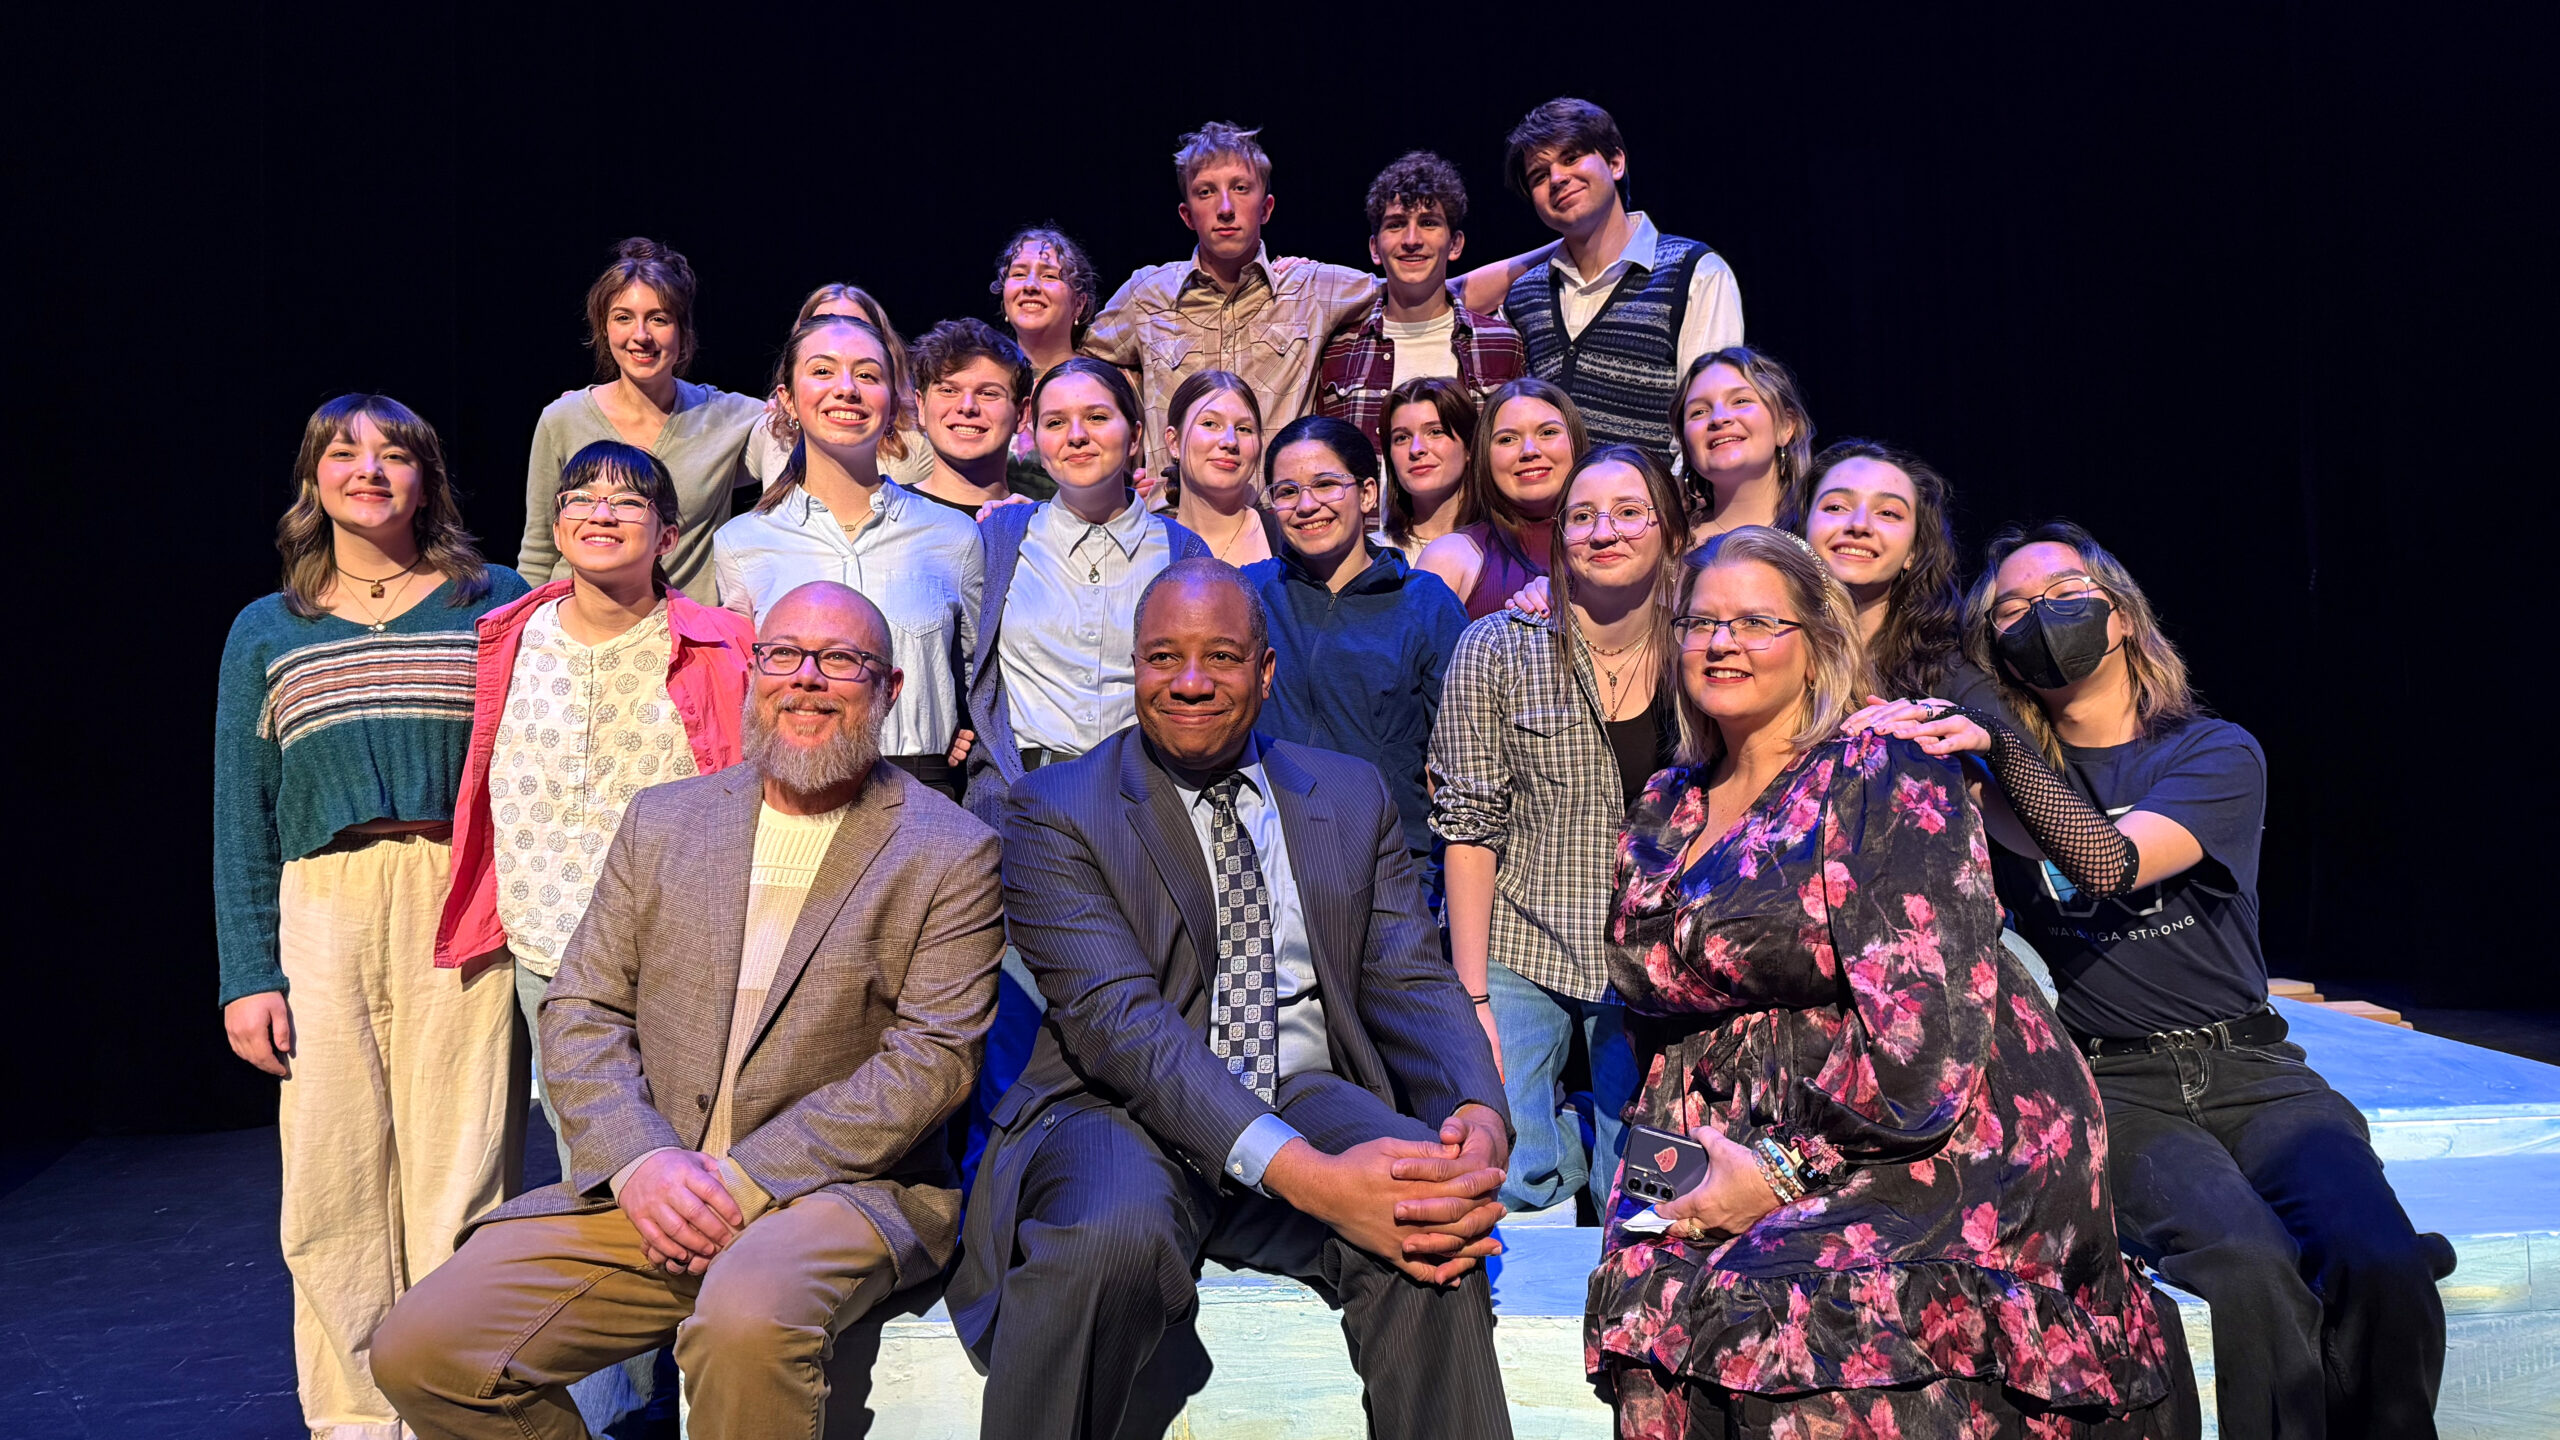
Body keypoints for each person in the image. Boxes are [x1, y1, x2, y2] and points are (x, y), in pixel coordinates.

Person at [1590, 525, 2191, 1439]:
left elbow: (1929, 1031)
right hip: (1725, 1122)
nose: (1722, 643)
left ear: (1818, 641)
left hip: (1915, 1133)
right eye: (1701, 623)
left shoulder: (1880, 764)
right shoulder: (1667, 802)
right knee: (1657, 1298)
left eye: (1757, 621)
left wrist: (1781, 1172)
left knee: (1801, 1310)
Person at [373, 582, 1006, 1440]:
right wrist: (640, 1163)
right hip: (659, 1183)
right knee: (424, 1348)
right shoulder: (665, 820)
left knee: (744, 1323)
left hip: (841, 1192)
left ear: (890, 689)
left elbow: (930, 1062)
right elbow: (582, 1006)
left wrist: (745, 1182)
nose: (808, 679)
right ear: (753, 673)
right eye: (784, 655)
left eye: (842, 661)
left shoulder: (949, 847)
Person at [1895, 521, 2444, 1440]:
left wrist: (1997, 740)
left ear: (2120, 617)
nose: (2042, 616)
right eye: (2013, 611)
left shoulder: (2213, 753)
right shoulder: (1992, 782)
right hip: (2117, 1086)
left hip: (2253, 1071)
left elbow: (2106, 860)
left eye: (2064, 593)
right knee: (2246, 1264)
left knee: (2379, 1255)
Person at [947, 558, 1517, 1440]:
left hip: (1301, 1085)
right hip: (1118, 1111)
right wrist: (1318, 1183)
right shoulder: (1055, 808)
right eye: (1162, 658)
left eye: (1220, 657)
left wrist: (1476, 1108)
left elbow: (1409, 972)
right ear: (1134, 667)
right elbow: (1123, 1032)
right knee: (1110, 1241)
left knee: (1431, 1220)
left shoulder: (1348, 792)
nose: (1189, 683)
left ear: (1266, 669)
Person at [215, 394, 529, 1439]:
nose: (369, 470)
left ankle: (457, 1408)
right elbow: (240, 813)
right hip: (325, 903)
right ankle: (353, 1420)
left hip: (460, 891)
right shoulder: (269, 627)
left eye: (394, 454)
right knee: (332, 1179)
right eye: (343, 454)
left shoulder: (496, 603)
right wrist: (246, 972)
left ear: (426, 477)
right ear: (314, 480)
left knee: (464, 1171)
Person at [437, 440, 758, 1180]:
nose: (600, 512)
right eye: (580, 497)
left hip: (680, 948)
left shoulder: (722, 644)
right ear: (556, 524)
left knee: (695, 1153)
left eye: (626, 501)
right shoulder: (509, 637)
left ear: (669, 536)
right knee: (590, 1156)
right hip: (547, 945)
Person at [1428, 444, 1690, 1218]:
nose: (1603, 531)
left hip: (1657, 956)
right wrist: (1472, 997)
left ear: (1668, 531)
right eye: (1582, 516)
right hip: (1523, 938)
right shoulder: (1498, 647)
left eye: (1628, 512)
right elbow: (1469, 826)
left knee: (1644, 1190)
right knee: (1507, 1172)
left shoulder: (1705, 649)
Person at [712, 313, 984, 801]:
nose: (846, 389)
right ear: (788, 400)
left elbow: (980, 680)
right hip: (793, 790)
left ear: (892, 399)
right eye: (822, 371)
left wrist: (971, 731)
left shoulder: (952, 536)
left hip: (922, 793)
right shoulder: (741, 543)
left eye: (867, 374)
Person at [961, 357, 1211, 828]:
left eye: (1097, 417)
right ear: (1036, 439)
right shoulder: (1001, 537)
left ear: (1135, 436)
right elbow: (966, 658)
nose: (1076, 436)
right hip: (1021, 801)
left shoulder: (1183, 552)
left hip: (1147, 807)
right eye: (1056, 422)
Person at [1081, 122, 1382, 483]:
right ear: (1187, 215)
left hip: (1275, 521)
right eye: (1206, 192)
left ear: (1266, 208)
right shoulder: (1148, 293)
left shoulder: (1308, 287)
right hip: (1173, 519)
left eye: (1240, 189)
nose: (1225, 207)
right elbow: (1080, 365)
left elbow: (1425, 287)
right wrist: (1127, 462)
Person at [1241, 414, 1467, 889]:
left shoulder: (1425, 604)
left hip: (1390, 869)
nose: (1307, 505)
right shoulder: (1249, 593)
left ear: (1367, 494)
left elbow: (1460, 765)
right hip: (1265, 865)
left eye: (1326, 484)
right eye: (1286, 492)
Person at [1489, 98, 1746, 460]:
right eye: (1539, 175)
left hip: (1653, 512)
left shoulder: (1693, 272)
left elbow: (1708, 417)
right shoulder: (1523, 297)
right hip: (1554, 516)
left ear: (1615, 162)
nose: (1558, 178)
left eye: (1572, 157)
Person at [519, 238, 764, 603]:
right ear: (604, 329)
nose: (641, 336)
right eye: (623, 318)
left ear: (683, 332)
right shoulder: (563, 420)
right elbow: (539, 551)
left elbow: (799, 421)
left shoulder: (726, 417)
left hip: (686, 639)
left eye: (658, 319)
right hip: (575, 629)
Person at [1313, 151, 1525, 440]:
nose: (1412, 240)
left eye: (1428, 223)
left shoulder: (1501, 343)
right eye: (1396, 224)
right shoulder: (1338, 350)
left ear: (1455, 244)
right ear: (1375, 248)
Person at [1778, 438, 1966, 700]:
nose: (1859, 524)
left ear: (1913, 551)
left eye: (1888, 513)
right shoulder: (1763, 646)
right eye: (1836, 507)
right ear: (1803, 529)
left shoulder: (1951, 673)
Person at [1415, 376, 1586, 618]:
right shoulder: (1449, 558)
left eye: (1547, 432)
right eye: (1507, 439)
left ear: (1576, 441)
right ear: (1484, 457)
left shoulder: (1615, 543)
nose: (1529, 451)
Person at [746, 283, 938, 491]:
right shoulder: (770, 432)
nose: (839, 335)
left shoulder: (918, 445)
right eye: (822, 370)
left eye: (856, 325)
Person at [992, 226, 1101, 491]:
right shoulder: (983, 382)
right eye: (1018, 274)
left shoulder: (1102, 383)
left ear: (1079, 304)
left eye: (1049, 276)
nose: (1030, 286)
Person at [908, 317, 1053, 515]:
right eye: (949, 391)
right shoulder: (884, 513)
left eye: (988, 393)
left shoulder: (1041, 527)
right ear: (922, 406)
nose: (967, 407)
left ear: (1021, 414)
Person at [1676, 346, 1815, 538]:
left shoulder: (1819, 535)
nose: (1718, 418)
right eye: (1698, 412)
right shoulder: (1666, 546)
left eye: (1740, 401)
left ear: (1785, 426)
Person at [1164, 367, 1278, 565]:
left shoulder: (1284, 538)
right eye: (1210, 423)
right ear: (1174, 442)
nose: (1230, 441)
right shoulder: (1146, 540)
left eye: (1244, 429)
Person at [1377, 376, 1479, 563]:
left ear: (1469, 446)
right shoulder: (1372, 556)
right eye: (1401, 437)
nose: (1416, 449)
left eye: (1435, 432)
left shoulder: (1504, 550)